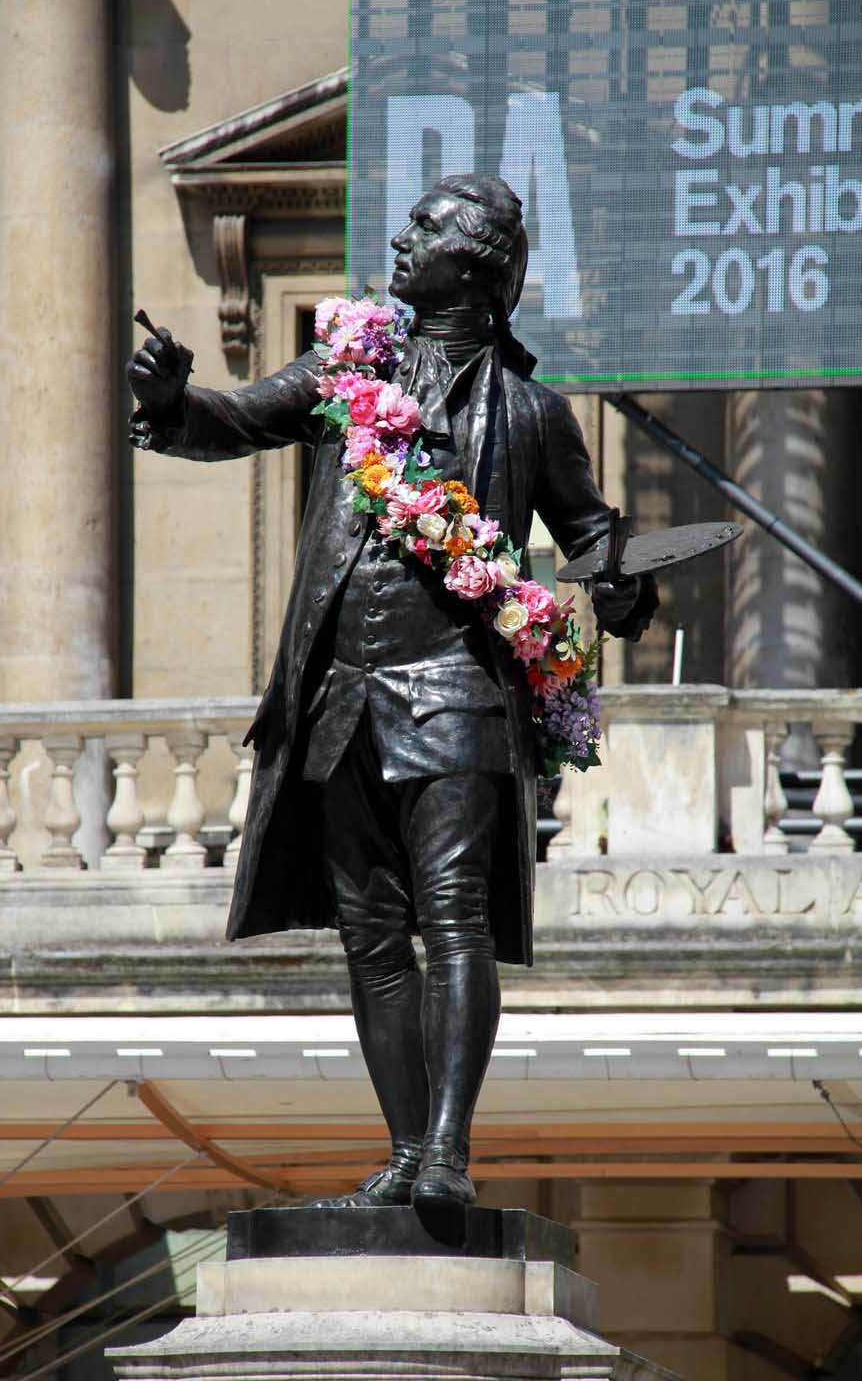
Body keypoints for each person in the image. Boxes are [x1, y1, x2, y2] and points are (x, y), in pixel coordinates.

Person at [127, 174, 656, 1209]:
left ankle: (448, 1151)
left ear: (478, 265)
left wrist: (624, 587)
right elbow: (233, 419)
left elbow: (598, 545)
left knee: (453, 914)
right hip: (339, 697)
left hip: (456, 693)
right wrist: (167, 399)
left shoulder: (534, 415)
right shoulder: (347, 367)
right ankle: (408, 1151)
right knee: (369, 933)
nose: (401, 239)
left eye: (426, 227)